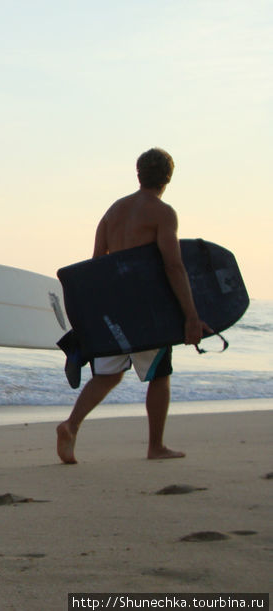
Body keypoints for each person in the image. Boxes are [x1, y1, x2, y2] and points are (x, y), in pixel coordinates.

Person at [56, 148, 212, 464]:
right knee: (159, 374)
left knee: (107, 376)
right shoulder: (163, 213)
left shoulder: (113, 212)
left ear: (138, 174)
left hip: (113, 307)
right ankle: (156, 446)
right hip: (146, 309)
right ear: (168, 177)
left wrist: (94, 316)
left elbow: (96, 264)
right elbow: (173, 265)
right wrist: (191, 316)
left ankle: (71, 425)